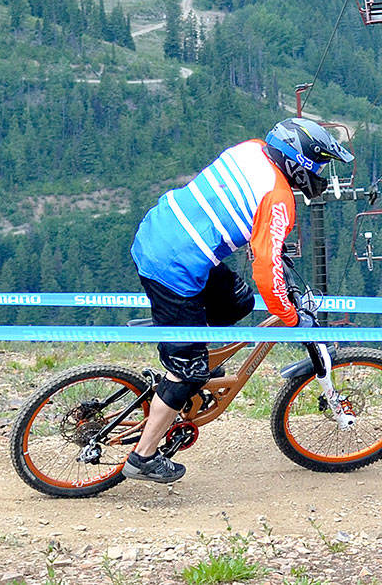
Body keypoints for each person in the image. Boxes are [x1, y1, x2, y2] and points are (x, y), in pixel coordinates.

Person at [121, 117, 353, 483]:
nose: (322, 172)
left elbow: (244, 218)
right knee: (188, 373)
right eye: (320, 163)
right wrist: (292, 319)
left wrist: (273, 252)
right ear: (299, 162)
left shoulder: (250, 150)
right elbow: (265, 270)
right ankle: (144, 456)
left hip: (161, 232)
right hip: (174, 267)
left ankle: (185, 339)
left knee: (238, 302)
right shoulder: (278, 199)